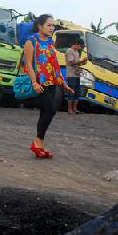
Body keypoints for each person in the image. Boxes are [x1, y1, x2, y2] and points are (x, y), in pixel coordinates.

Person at [24, 14, 74, 159]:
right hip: (40, 82)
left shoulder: (50, 42)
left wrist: (63, 83)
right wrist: (34, 83)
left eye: (53, 25)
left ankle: (40, 145)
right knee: (51, 109)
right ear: (40, 26)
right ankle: (37, 141)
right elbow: (28, 64)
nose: (52, 28)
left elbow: (55, 65)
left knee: (44, 112)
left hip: (52, 82)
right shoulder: (31, 41)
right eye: (49, 25)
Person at [65, 38, 87, 115]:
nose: (81, 48)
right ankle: (69, 109)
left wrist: (82, 63)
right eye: (80, 46)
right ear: (76, 44)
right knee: (71, 91)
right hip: (71, 75)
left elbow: (77, 63)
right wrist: (81, 61)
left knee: (77, 92)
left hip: (77, 74)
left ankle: (75, 109)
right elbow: (71, 63)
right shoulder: (69, 51)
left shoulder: (77, 52)